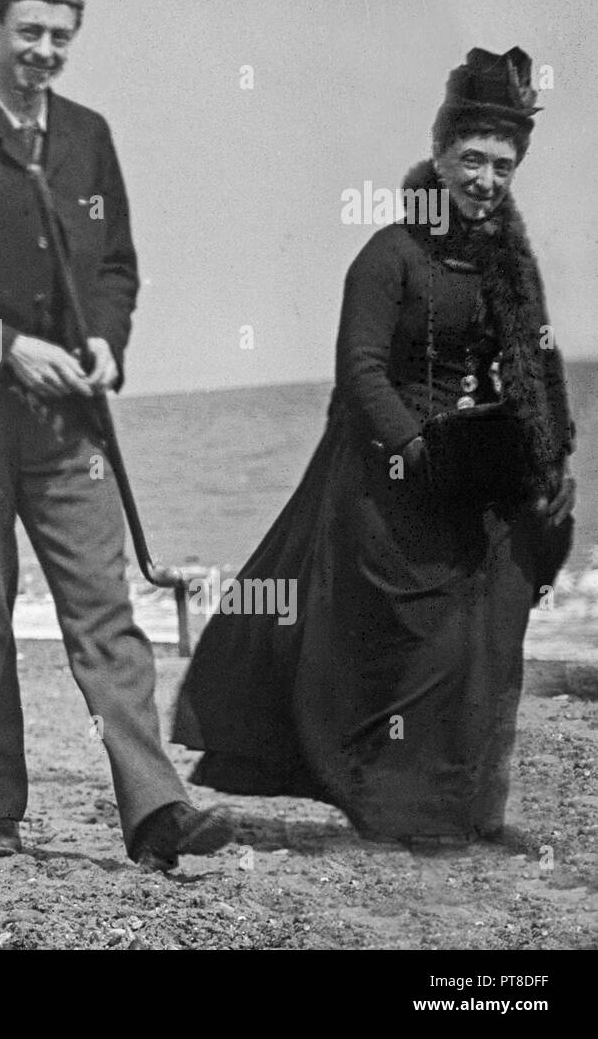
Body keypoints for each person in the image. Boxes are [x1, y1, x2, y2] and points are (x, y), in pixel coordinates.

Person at [0, 0, 232, 870]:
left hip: (73, 426)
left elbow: (114, 267)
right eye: (28, 32)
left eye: (61, 37)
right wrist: (1, 348)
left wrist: (106, 340)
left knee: (105, 611)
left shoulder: (89, 137)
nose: (43, 51)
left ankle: (155, 811)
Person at [173, 47, 576, 849]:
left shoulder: (505, 262)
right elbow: (359, 371)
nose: (486, 179)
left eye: (502, 164)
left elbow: (537, 360)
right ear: (440, 156)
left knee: (497, 611)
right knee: (414, 637)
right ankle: (395, 803)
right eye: (472, 159)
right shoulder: (391, 253)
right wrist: (414, 449)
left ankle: (471, 807)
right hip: (386, 465)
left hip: (462, 458)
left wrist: (549, 454)